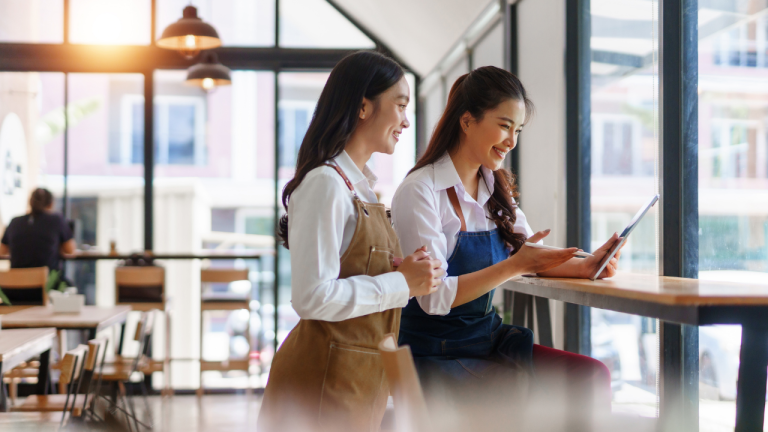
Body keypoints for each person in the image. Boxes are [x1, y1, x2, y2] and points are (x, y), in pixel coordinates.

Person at [391, 66, 621, 420]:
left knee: (589, 377)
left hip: (486, 341)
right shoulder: (419, 191)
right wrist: (516, 265)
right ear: (466, 121)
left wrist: (589, 266)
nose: (512, 141)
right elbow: (433, 298)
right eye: (503, 125)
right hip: (436, 357)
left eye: (518, 130)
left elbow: (527, 253)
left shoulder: (493, 187)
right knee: (541, 404)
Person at [257, 51, 444, 432]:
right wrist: (401, 283)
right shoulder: (325, 184)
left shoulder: (360, 187)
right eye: (400, 105)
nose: (406, 121)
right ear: (363, 106)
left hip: (354, 381)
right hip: (322, 384)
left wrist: (404, 274)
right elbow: (311, 297)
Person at [1, 188, 75, 271]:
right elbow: (70, 250)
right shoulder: (56, 220)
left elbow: (2, 251)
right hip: (47, 281)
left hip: (16, 282)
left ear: (30, 203)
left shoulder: (14, 222)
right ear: (51, 204)